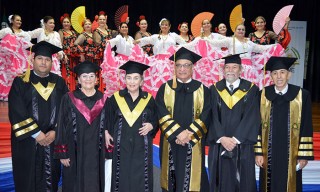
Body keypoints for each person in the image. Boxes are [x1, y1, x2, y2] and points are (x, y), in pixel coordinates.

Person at [8, 41, 69, 192]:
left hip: (52, 140)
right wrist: (36, 133)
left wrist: (56, 131)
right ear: (33, 60)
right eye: (40, 58)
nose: (44, 62)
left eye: (47, 59)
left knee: (51, 178)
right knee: (27, 178)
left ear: (51, 62)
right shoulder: (21, 81)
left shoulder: (59, 82)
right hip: (28, 142)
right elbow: (16, 111)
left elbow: (66, 110)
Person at [255, 56, 314, 192]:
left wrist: (303, 155)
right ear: (271, 76)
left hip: (292, 153)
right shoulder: (262, 95)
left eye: (282, 72)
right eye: (275, 73)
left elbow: (306, 126)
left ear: (289, 74)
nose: (279, 76)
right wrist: (258, 153)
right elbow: (256, 126)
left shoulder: (301, 95)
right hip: (268, 153)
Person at [156, 47, 210, 192]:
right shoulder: (165, 88)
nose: (182, 69)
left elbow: (206, 115)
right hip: (171, 141)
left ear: (193, 67)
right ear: (174, 67)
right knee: (171, 178)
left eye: (186, 65)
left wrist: (189, 134)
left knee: (195, 180)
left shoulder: (202, 90)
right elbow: (161, 113)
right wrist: (178, 133)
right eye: (178, 65)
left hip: (194, 142)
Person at [207, 54, 260, 192]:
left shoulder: (252, 89)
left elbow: (253, 116)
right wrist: (222, 138)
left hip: (242, 145)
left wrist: (235, 139)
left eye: (234, 67)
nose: (230, 70)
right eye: (227, 67)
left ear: (241, 70)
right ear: (223, 70)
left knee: (243, 181)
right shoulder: (214, 89)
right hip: (220, 144)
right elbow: (210, 116)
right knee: (219, 180)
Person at [54, 61, 107, 192]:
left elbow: (109, 127)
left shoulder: (105, 100)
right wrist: (63, 153)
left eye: (91, 76)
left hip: (97, 152)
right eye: (84, 76)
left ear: (96, 79)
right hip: (74, 151)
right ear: (78, 79)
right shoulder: (68, 98)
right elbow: (61, 125)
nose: (88, 79)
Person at [106, 60, 157, 192]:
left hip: (142, 146)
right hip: (120, 146)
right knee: (121, 176)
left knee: (141, 178)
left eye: (136, 78)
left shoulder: (148, 99)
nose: (132, 81)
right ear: (125, 79)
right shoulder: (115, 98)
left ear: (141, 81)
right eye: (129, 78)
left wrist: (152, 125)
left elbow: (157, 118)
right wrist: (106, 131)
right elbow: (107, 119)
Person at [206, 23, 285, 89]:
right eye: (239, 29)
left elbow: (261, 48)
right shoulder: (230, 40)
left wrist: (274, 46)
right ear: (235, 31)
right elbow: (215, 43)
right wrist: (204, 39)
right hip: (235, 69)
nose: (241, 31)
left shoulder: (249, 42)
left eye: (243, 30)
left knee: (248, 90)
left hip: (249, 70)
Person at [134, 18, 186, 96]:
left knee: (170, 81)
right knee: (158, 82)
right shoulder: (156, 37)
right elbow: (145, 40)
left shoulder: (173, 36)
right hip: (157, 64)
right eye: (162, 25)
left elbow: (184, 43)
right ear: (160, 26)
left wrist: (176, 48)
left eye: (166, 25)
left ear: (169, 26)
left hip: (170, 63)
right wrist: (136, 42)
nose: (164, 26)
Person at [0, 14, 32, 101]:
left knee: (18, 77)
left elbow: (27, 45)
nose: (19, 22)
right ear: (12, 21)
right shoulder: (7, 31)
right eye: (17, 20)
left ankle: (17, 94)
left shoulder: (24, 33)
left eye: (20, 20)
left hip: (20, 60)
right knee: (8, 77)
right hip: (9, 59)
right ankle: (7, 94)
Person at [58, 13, 78, 91]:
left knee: (73, 74)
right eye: (64, 22)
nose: (66, 23)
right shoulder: (61, 31)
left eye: (67, 22)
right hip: (65, 57)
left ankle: (73, 91)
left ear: (70, 23)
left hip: (73, 57)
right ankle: (66, 92)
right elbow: (59, 44)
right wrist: (63, 54)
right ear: (62, 23)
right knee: (66, 74)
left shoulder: (73, 32)